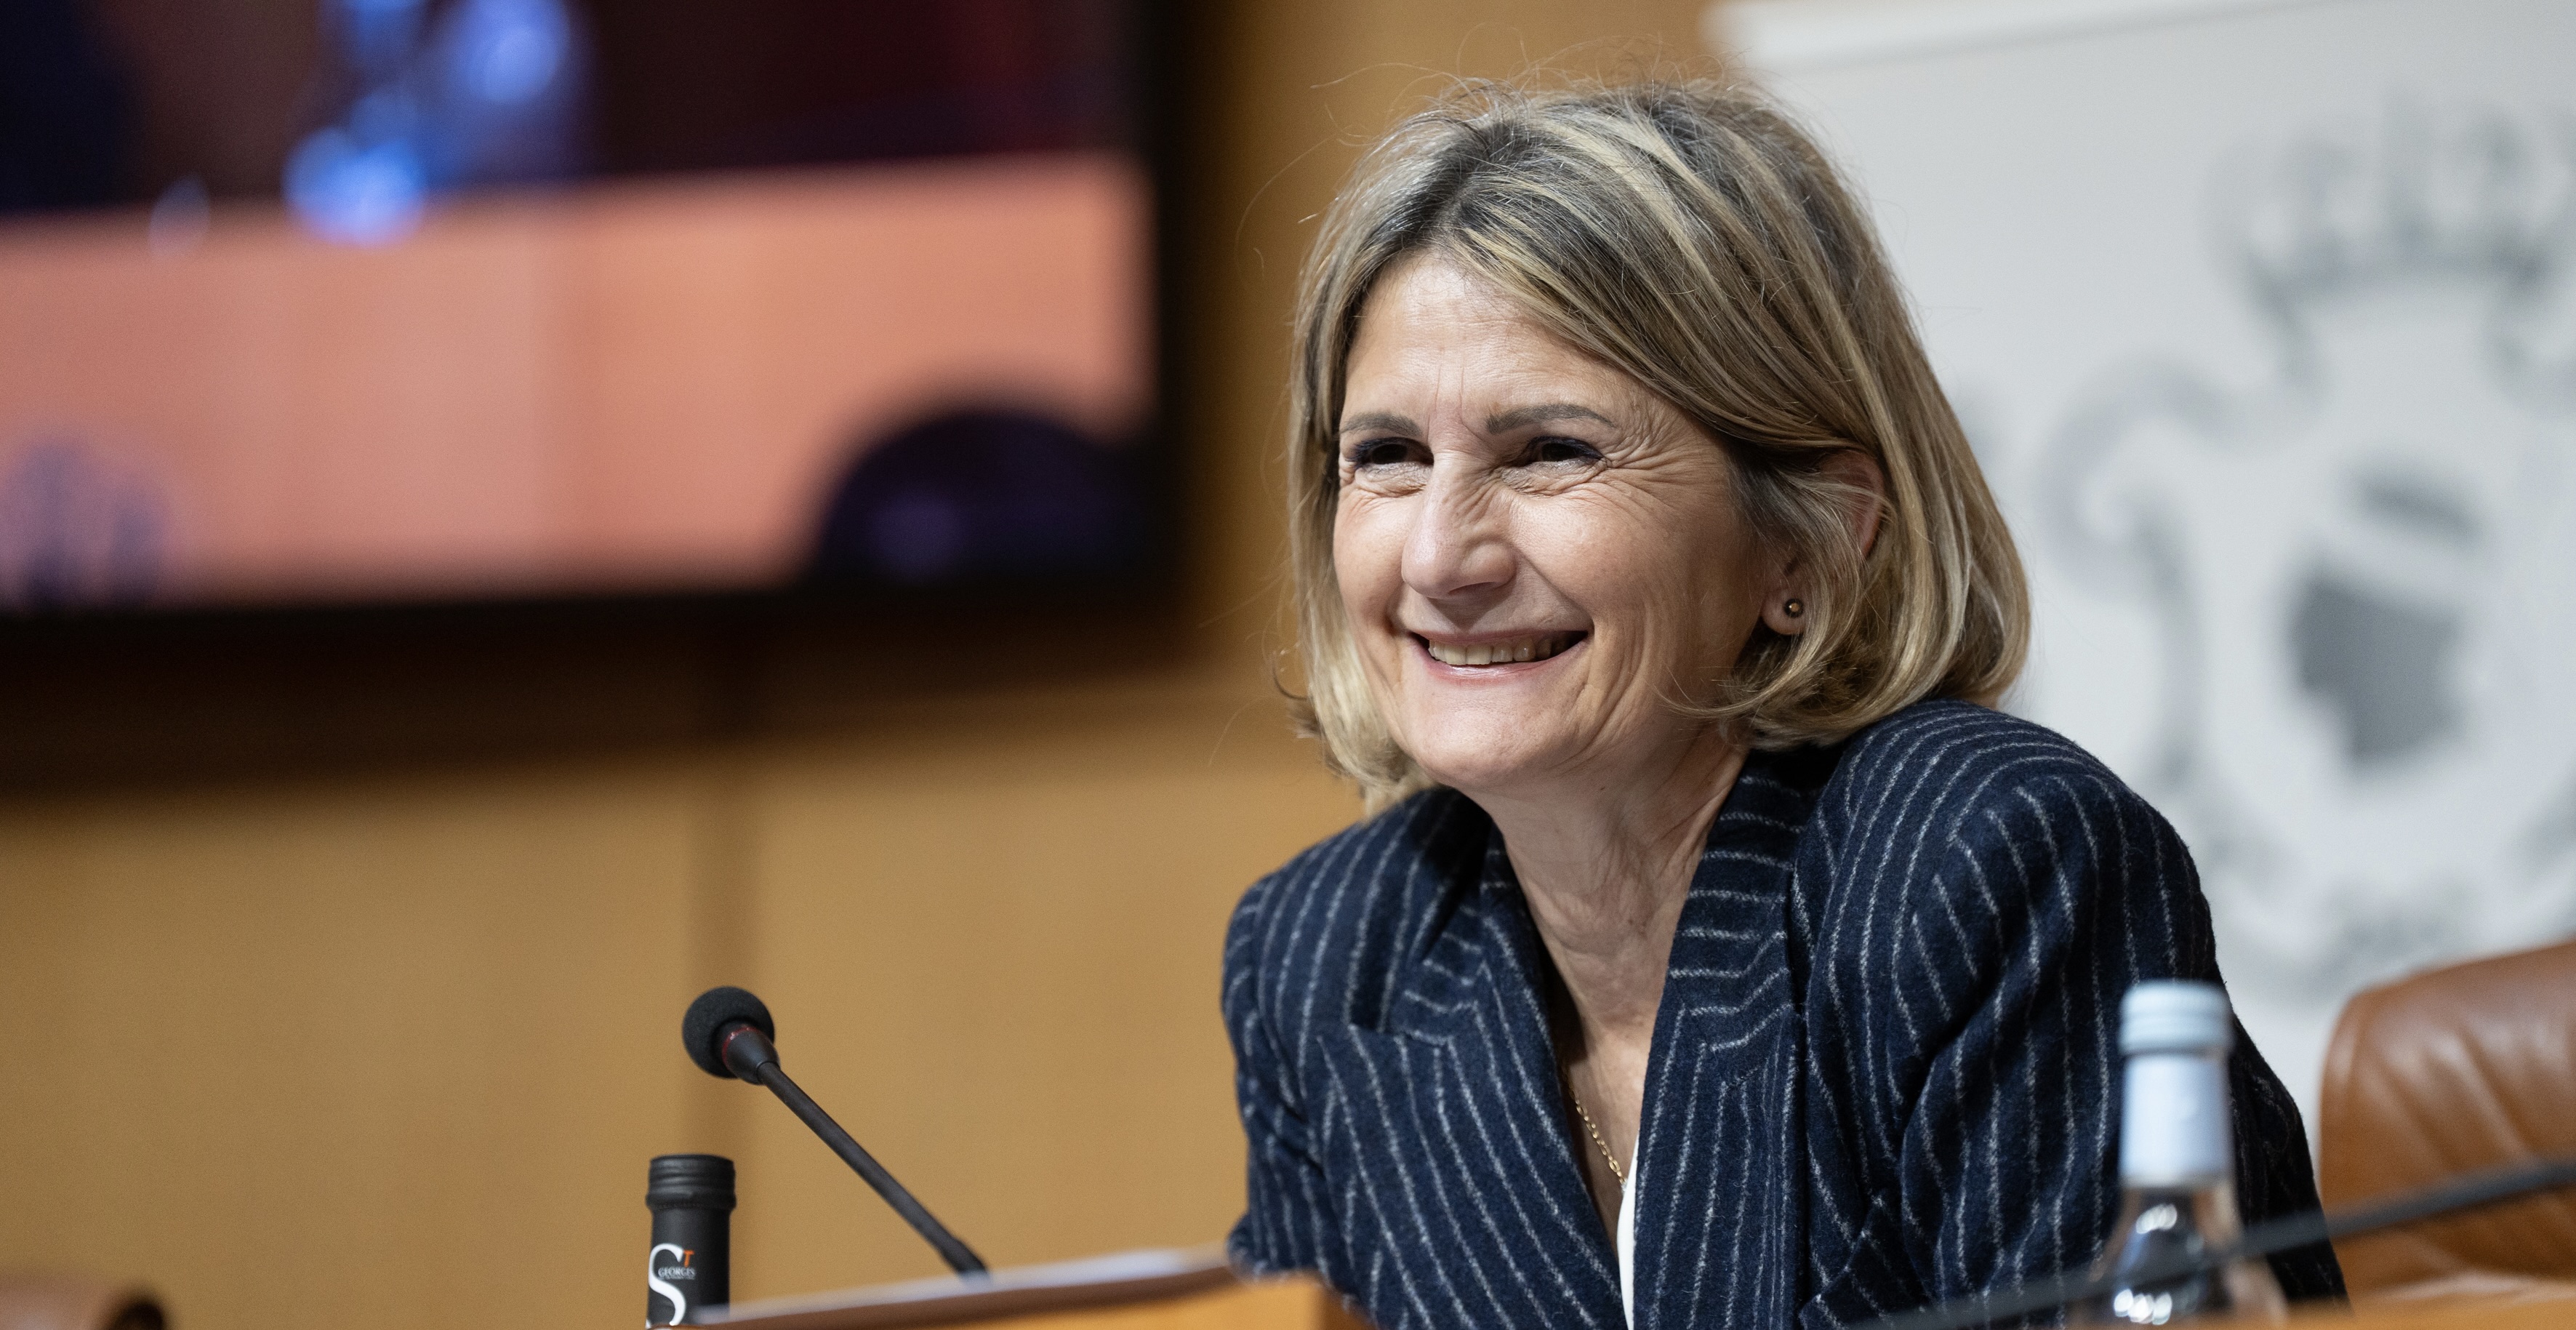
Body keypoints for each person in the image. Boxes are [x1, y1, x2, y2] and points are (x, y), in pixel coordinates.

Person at [1220, 78, 2344, 1329]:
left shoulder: (1980, 868)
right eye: (1387, 458)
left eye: (1550, 451)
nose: (1438, 558)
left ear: (1806, 545)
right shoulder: (1327, 955)